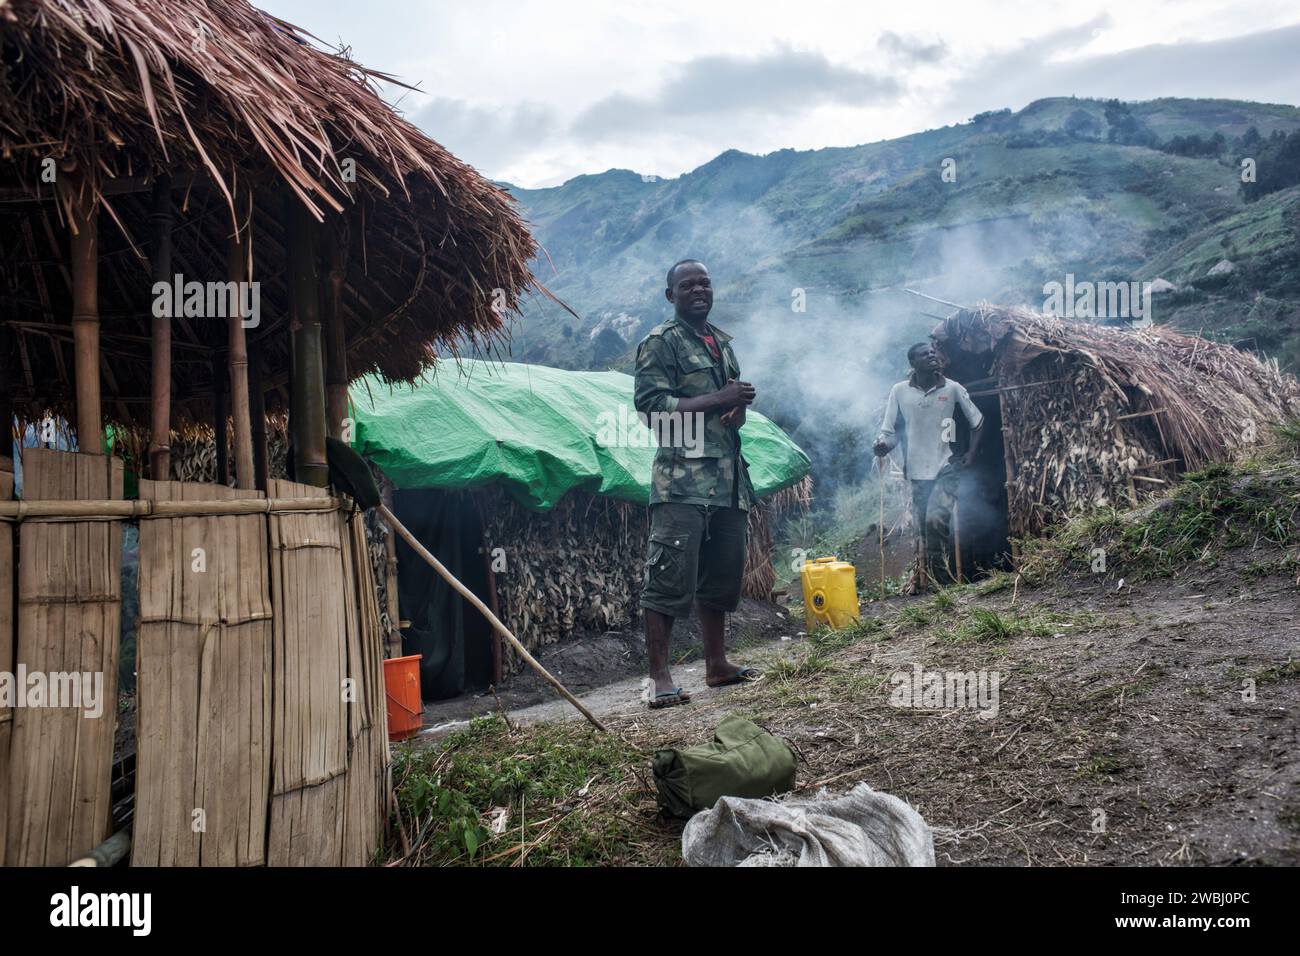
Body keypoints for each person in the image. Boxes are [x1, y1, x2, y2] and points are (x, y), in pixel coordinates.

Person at [633, 259, 763, 709]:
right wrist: (719, 398)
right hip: (681, 481)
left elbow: (728, 411)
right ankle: (660, 678)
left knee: (722, 573)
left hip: (728, 479)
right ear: (671, 295)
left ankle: (716, 664)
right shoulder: (660, 343)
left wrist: (737, 407)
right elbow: (651, 407)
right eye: (687, 284)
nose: (698, 289)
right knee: (668, 576)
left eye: (704, 282)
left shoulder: (721, 344)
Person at [872, 341, 985, 587]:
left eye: (933, 353)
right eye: (925, 355)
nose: (932, 356)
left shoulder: (952, 388)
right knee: (925, 528)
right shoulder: (899, 391)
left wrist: (971, 455)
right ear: (913, 363)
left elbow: (977, 421)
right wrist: (882, 447)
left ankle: (942, 585)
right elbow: (889, 433)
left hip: (947, 467)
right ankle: (938, 586)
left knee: (936, 520)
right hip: (916, 471)